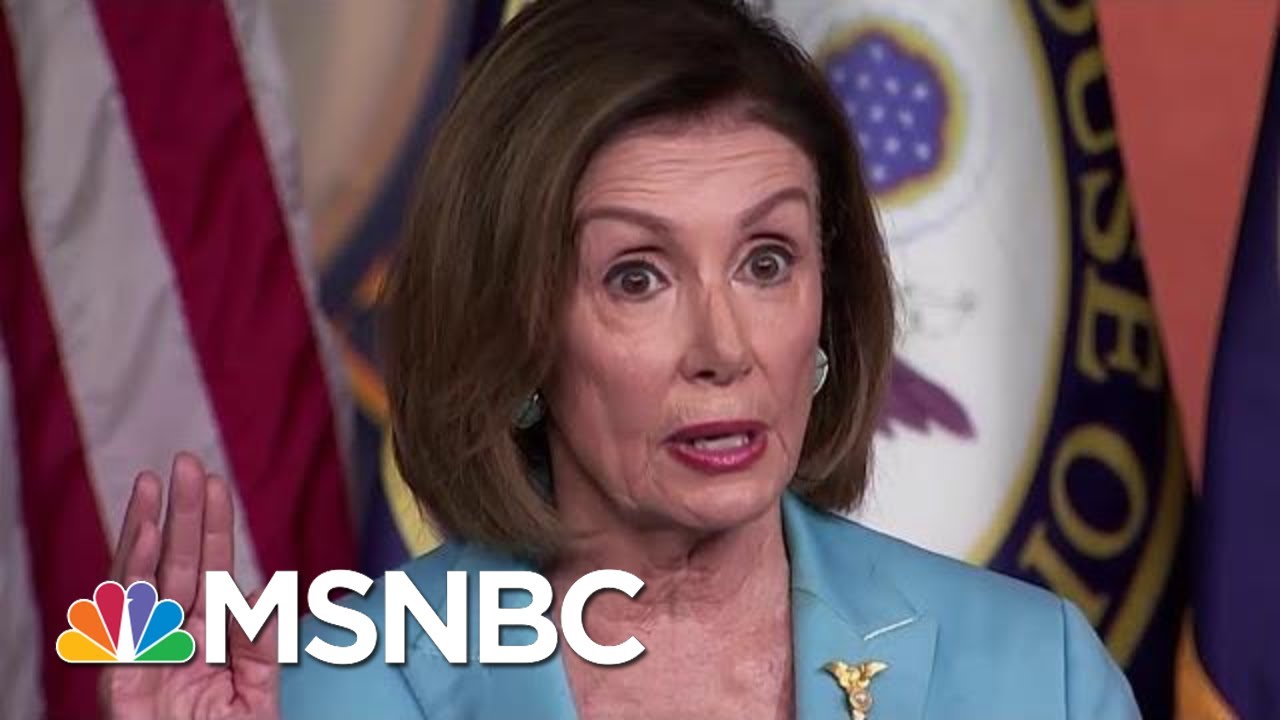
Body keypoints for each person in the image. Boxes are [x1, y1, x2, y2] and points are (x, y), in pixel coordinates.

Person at [100, 0, 1142, 718]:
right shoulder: (350, 687)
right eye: (637, 277)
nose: (723, 349)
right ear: (515, 327)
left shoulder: (1031, 674)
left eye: (766, 261)